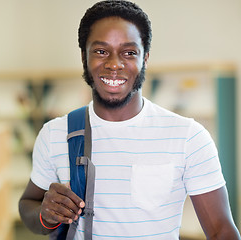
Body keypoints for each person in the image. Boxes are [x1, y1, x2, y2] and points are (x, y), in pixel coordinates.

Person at [18, 1, 241, 239]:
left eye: (129, 52)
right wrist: (45, 214)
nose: (114, 64)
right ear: (84, 57)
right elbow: (28, 204)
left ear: (145, 58)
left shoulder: (189, 137)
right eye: (101, 51)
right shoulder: (55, 134)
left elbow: (221, 231)